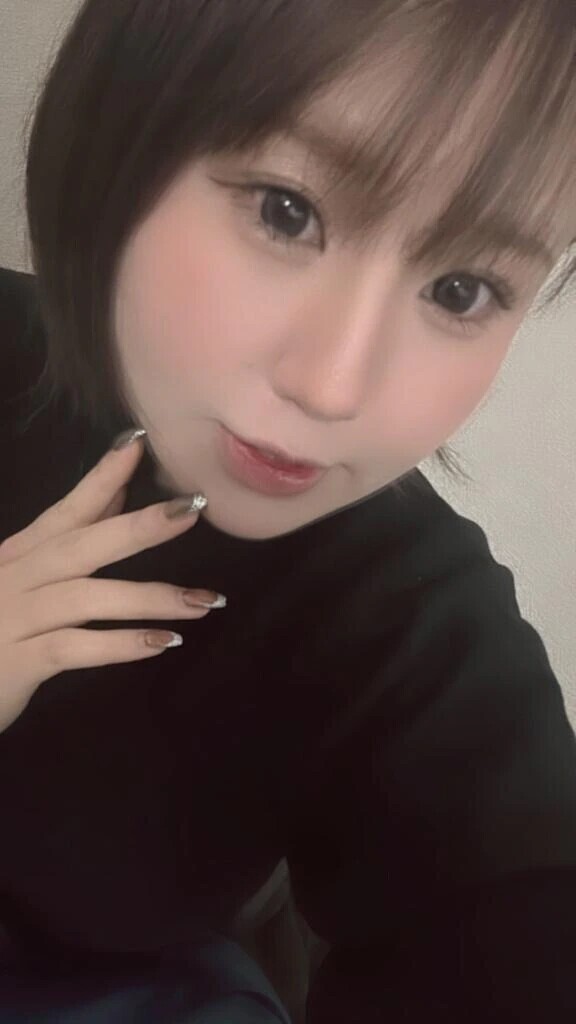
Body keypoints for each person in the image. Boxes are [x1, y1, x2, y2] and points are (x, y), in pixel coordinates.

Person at [1, 0, 576, 1020]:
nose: (335, 387)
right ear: (125, 129)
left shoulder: (404, 614)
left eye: (459, 288)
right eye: (285, 211)